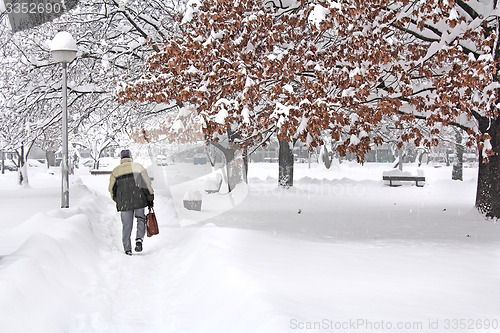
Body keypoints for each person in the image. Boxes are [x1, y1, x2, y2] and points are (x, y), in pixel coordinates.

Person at [108, 149, 154, 255]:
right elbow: (147, 185)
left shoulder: (115, 171)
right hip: (139, 200)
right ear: (130, 157)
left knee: (127, 225)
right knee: (141, 219)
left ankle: (127, 248)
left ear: (121, 158)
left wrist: (118, 200)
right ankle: (139, 239)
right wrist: (150, 198)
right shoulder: (138, 167)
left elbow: (111, 189)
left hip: (124, 203)